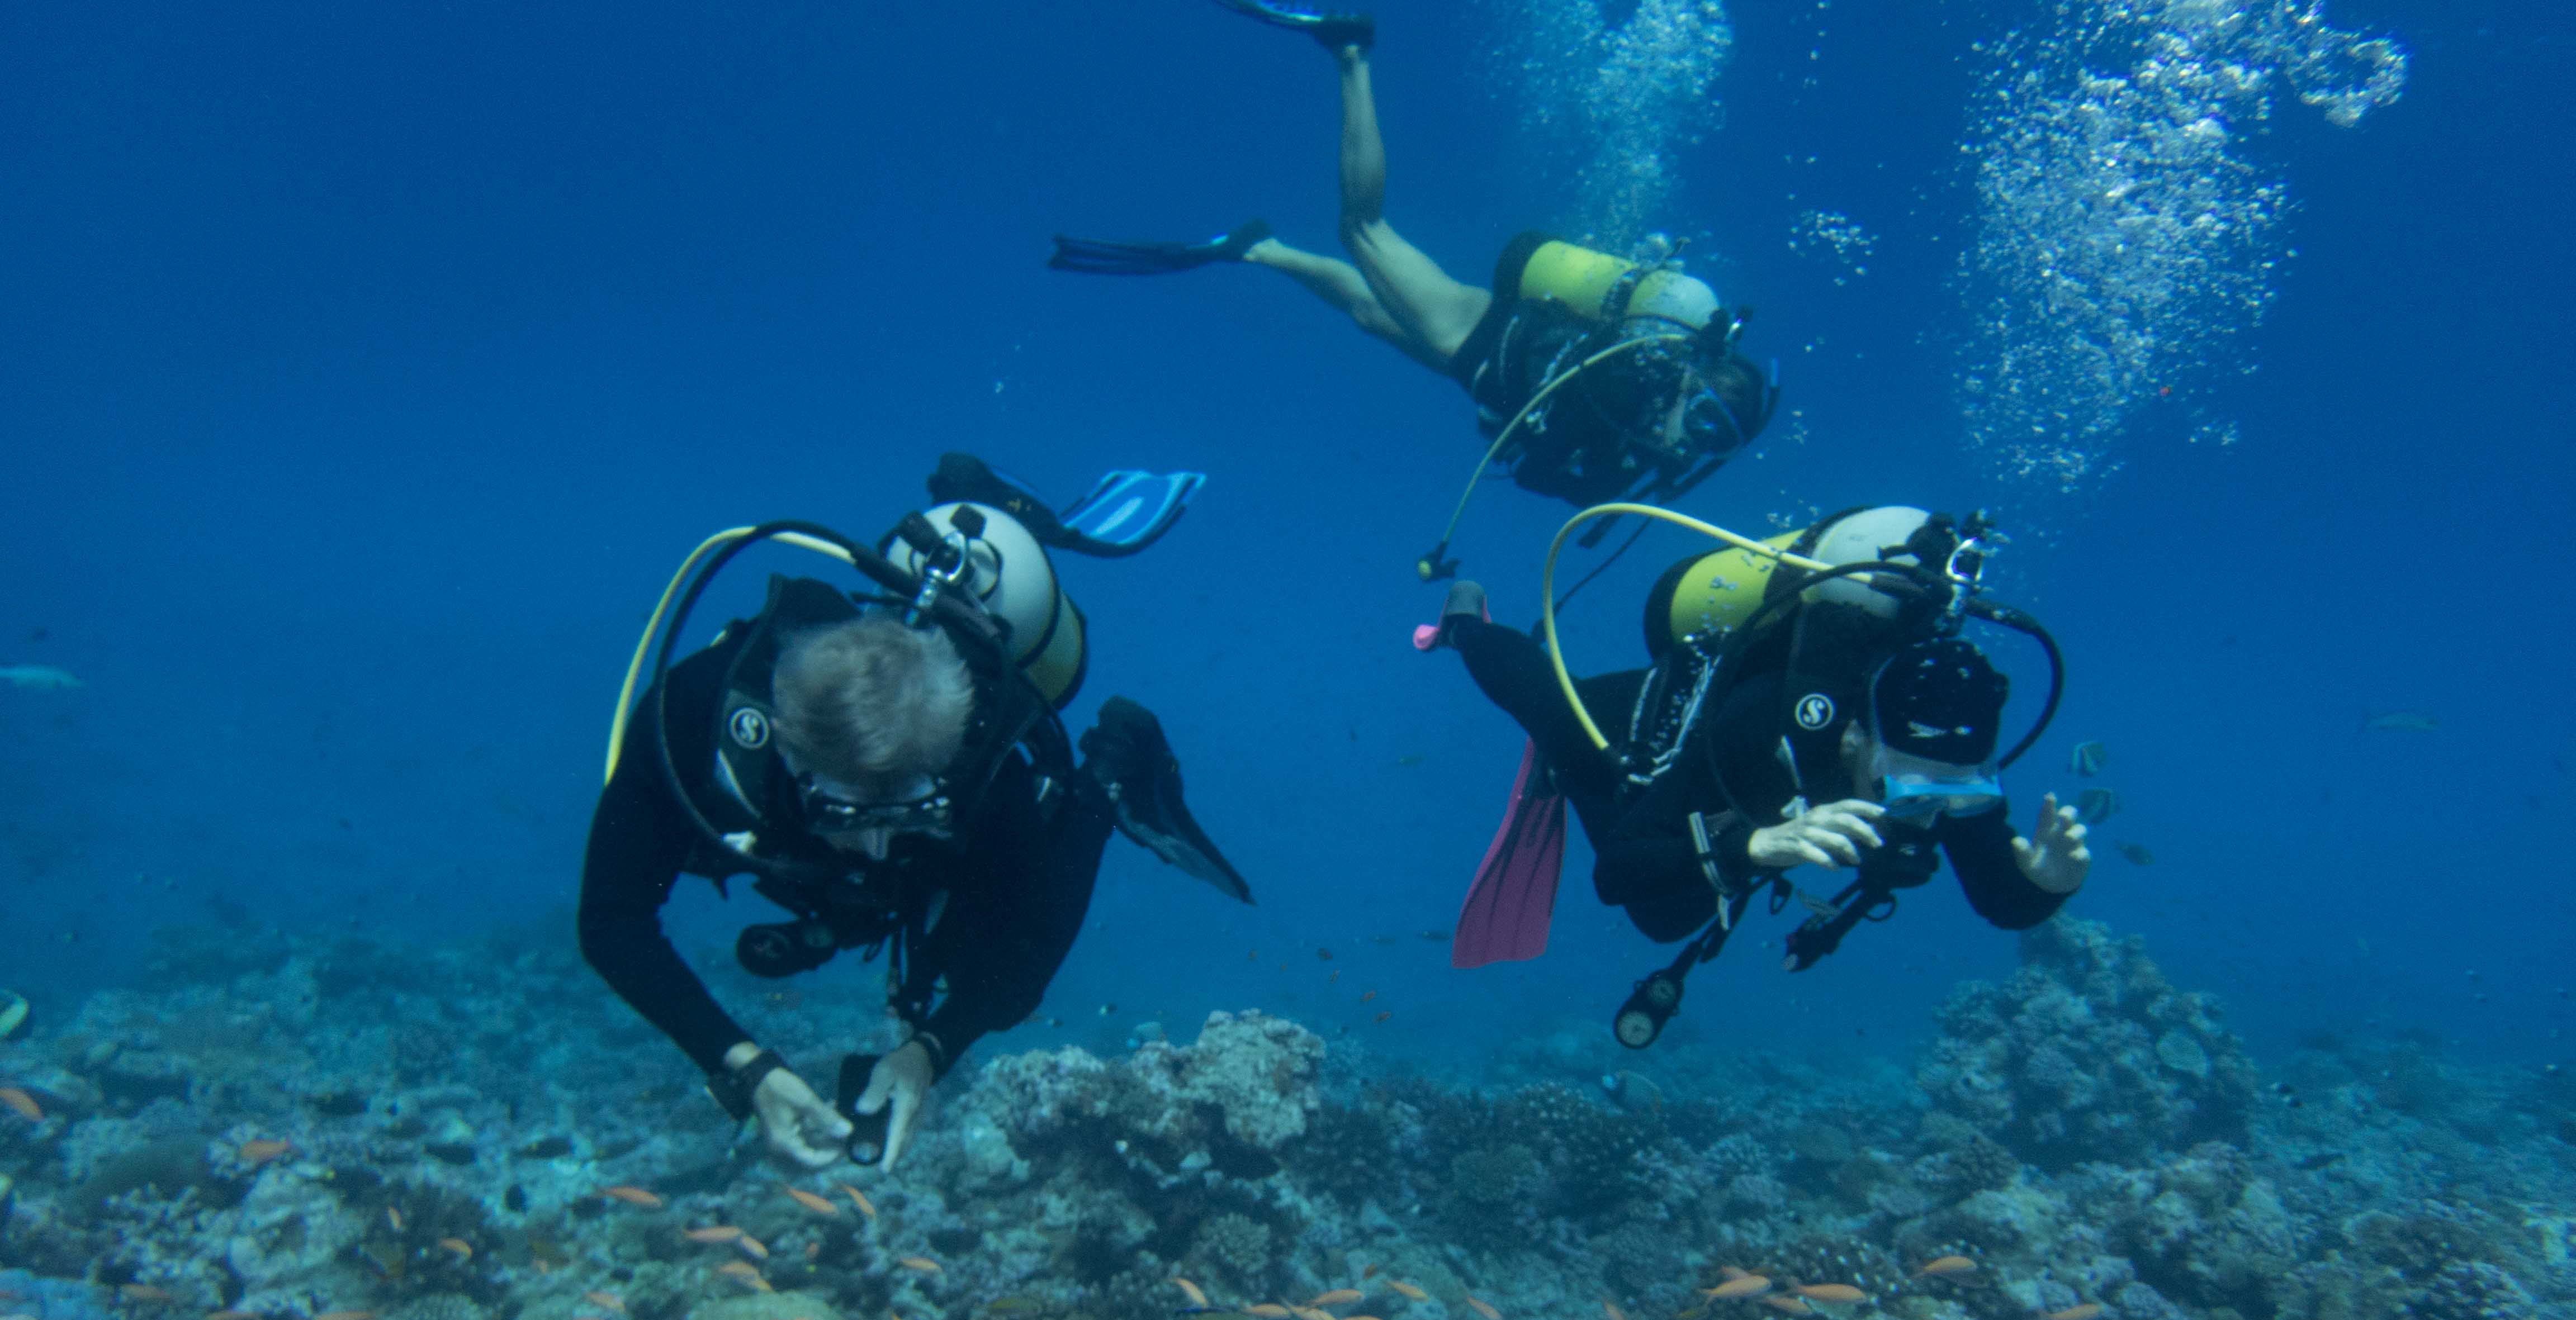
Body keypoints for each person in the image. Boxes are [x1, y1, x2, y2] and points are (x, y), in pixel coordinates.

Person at [579, 457, 1249, 1170]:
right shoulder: (694, 716)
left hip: (954, 836)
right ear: (786, 750)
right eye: (840, 813)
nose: (871, 847)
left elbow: (1023, 961)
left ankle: (1111, 771)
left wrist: (929, 1053)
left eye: (903, 812)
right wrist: (747, 1071)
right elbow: (611, 919)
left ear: (943, 763)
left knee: (977, 959)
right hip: (808, 805)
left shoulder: (985, 768)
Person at [1048, 2, 1778, 558]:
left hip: (1478, 352)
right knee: (1364, 230)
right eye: (1710, 418)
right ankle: (1351, 55)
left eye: (1715, 441)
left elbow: (1548, 450)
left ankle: (1259, 249)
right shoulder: (1643, 384)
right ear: (1705, 383)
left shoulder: (1649, 408)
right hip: (1478, 338)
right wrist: (1595, 480)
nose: (1696, 439)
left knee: (1368, 312)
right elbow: (1543, 465)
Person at [1420, 505, 2090, 1046]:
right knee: (1563, 737)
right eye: (1905, 792)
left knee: (1686, 904)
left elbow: (2003, 903)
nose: (1925, 819)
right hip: (1636, 734)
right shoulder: (1768, 726)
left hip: (1758, 800)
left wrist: (2047, 886)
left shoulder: (1948, 764)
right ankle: (1465, 630)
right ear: (1856, 737)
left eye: (1959, 795)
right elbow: (1617, 874)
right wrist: (1752, 845)